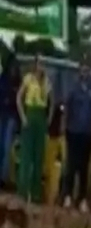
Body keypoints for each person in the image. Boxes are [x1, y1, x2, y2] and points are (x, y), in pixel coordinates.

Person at [61, 57, 91, 211]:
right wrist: (64, 128)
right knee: (71, 166)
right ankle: (67, 196)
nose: (85, 72)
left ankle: (82, 198)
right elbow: (67, 109)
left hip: (88, 133)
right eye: (83, 69)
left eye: (88, 69)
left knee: (85, 168)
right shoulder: (73, 89)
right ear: (80, 71)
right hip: (73, 132)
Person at [16, 54, 52, 203]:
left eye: (44, 63)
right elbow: (19, 98)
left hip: (41, 116)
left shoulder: (47, 82)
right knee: (26, 155)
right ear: (35, 64)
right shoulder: (28, 79)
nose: (42, 66)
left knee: (39, 156)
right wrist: (23, 116)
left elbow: (52, 102)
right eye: (40, 63)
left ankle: (35, 192)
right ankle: (23, 191)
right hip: (30, 114)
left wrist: (49, 118)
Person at [0, 54, 21, 187]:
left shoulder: (18, 82)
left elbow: (19, 101)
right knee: (1, 146)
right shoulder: (3, 79)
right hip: (2, 114)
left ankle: (3, 177)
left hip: (12, 116)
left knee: (7, 147)